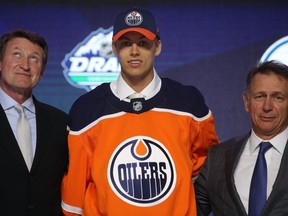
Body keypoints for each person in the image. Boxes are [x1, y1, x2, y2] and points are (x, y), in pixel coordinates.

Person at [61, 7, 219, 216]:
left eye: (143, 43)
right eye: (126, 44)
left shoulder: (188, 103)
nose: (134, 52)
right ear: (114, 48)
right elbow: (74, 194)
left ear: (158, 47)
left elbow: (207, 170)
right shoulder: (87, 109)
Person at [195, 60, 288, 216]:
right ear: (246, 101)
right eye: (259, 96)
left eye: (278, 97)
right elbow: (188, 209)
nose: (267, 106)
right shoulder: (217, 158)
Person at [0, 29, 68, 215]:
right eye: (16, 54)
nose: (25, 65)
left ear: (42, 71)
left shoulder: (61, 123)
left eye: (34, 59)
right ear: (0, 62)